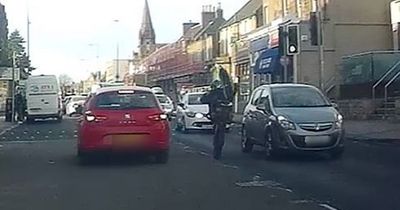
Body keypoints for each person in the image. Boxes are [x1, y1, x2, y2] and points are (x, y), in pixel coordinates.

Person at [201, 80, 233, 160]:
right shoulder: (224, 93)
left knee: (218, 129)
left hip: (217, 115)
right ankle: (218, 144)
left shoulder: (214, 93)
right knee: (220, 129)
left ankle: (217, 145)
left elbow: (203, 100)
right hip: (223, 116)